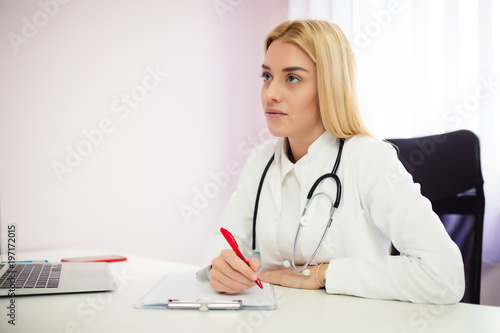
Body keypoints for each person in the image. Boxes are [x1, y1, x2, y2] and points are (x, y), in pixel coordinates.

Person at [198, 19, 465, 304]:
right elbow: (223, 241)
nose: (271, 93)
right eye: (267, 76)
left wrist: (323, 275)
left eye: (292, 78)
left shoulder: (369, 160)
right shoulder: (260, 161)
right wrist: (220, 269)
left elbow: (444, 276)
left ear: (330, 87)